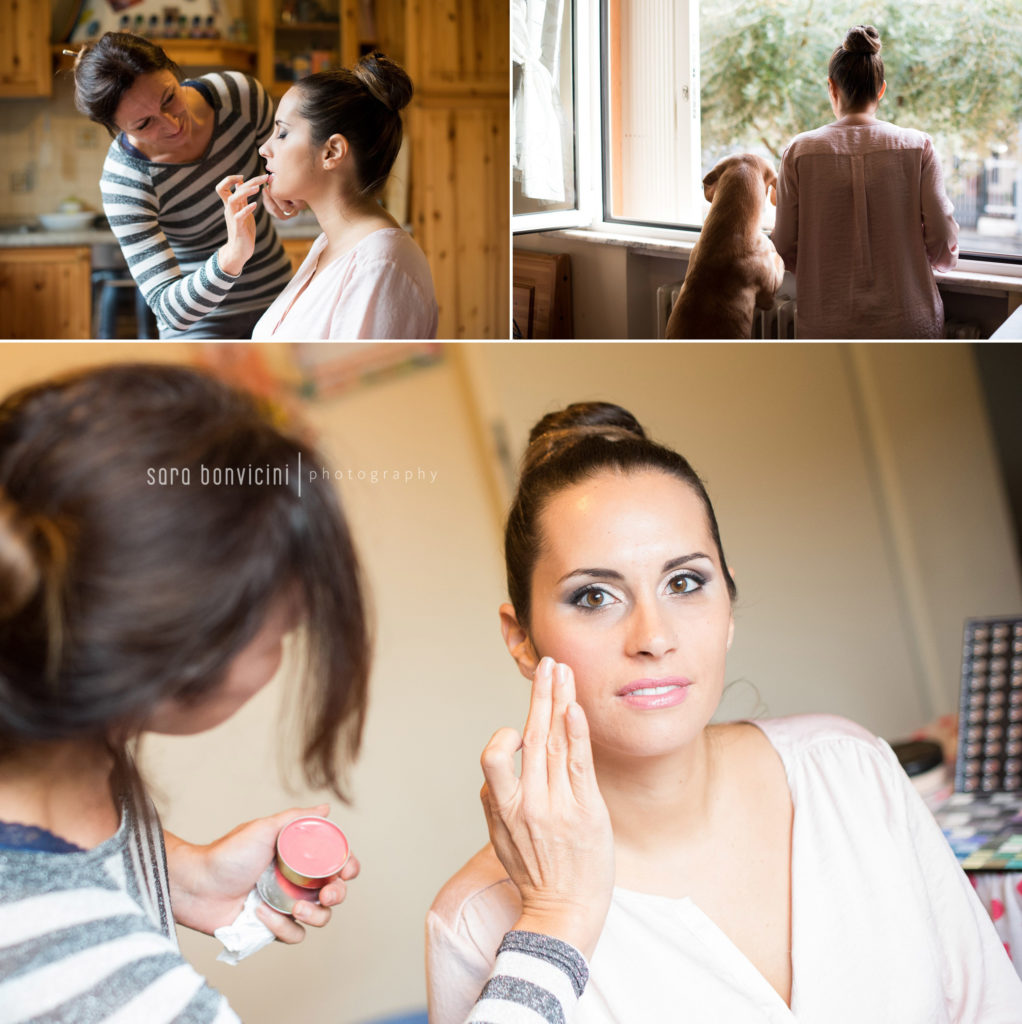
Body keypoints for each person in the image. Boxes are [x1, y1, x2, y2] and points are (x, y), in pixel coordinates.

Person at [0, 363, 608, 1022]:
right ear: (178, 654)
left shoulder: (58, 738)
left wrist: (176, 873)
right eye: (286, 629)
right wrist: (557, 920)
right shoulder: (89, 985)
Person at [427, 400, 1022, 1022]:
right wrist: (555, 923)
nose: (654, 637)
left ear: (728, 604)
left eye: (684, 583)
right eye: (595, 596)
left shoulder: (849, 770)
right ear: (521, 637)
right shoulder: (474, 922)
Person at [72, 33, 296, 338]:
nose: (172, 125)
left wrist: (279, 188)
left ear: (173, 69)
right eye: (144, 124)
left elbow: (282, 163)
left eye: (169, 98)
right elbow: (170, 312)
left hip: (282, 301)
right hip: (198, 323)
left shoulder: (239, 97)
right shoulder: (125, 181)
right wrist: (231, 256)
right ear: (116, 129)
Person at [771, 25, 960, 339]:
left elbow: (784, 247)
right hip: (909, 324)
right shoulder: (918, 147)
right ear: (881, 89)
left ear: (832, 88)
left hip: (826, 327)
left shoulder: (799, 152)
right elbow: (942, 240)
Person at [250, 53, 438, 340]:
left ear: (332, 152)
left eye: (283, 133)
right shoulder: (329, 244)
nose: (265, 148)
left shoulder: (381, 264)